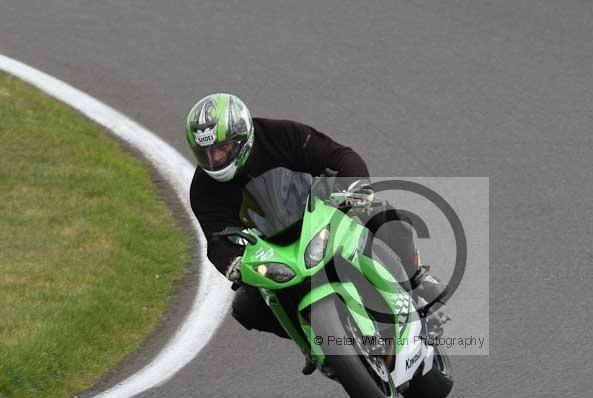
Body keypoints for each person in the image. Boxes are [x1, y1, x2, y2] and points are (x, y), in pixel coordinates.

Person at [186, 93, 447, 372]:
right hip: (270, 247)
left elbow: (338, 155)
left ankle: (416, 277)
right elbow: (216, 238)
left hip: (318, 211)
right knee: (246, 307)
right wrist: (233, 263)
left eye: (222, 148)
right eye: (207, 153)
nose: (216, 158)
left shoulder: (279, 135)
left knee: (378, 214)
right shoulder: (202, 191)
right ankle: (313, 342)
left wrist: (357, 188)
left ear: (242, 136)